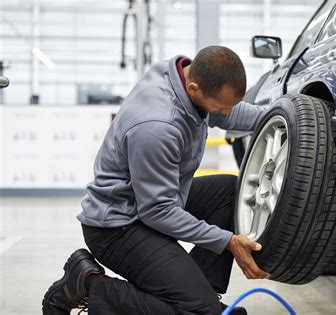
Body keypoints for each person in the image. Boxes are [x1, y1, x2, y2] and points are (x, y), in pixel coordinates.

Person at [42, 46, 271, 315]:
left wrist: (289, 114)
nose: (225, 112)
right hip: (118, 226)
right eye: (220, 106)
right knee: (200, 312)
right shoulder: (157, 126)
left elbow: (231, 112)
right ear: (194, 88)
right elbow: (157, 212)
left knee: (229, 192)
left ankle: (200, 292)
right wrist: (227, 240)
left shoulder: (180, 75)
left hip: (149, 201)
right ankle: (88, 287)